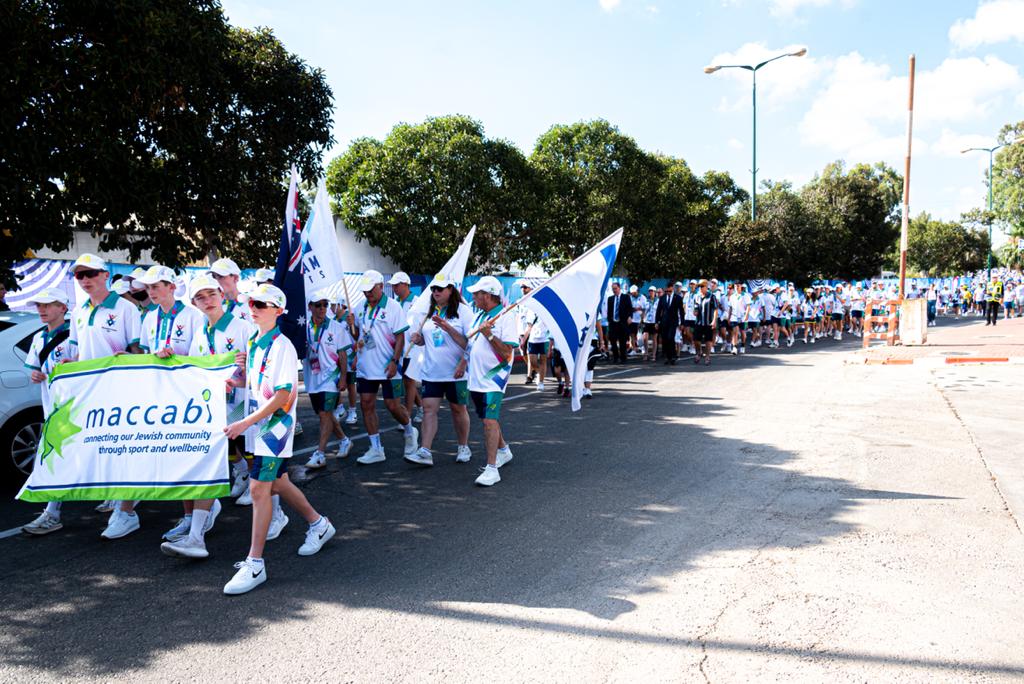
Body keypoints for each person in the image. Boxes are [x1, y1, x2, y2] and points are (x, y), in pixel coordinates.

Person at [220, 284, 335, 595]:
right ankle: (319, 524)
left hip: (276, 428)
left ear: (278, 311)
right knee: (278, 482)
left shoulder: (282, 346)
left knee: (258, 488)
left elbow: (283, 394)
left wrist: (246, 422)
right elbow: (257, 383)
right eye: (251, 302)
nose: (252, 307)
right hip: (260, 425)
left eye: (260, 303)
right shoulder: (254, 341)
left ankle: (255, 563)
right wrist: (236, 379)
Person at [160, 275, 253, 558]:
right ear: (194, 303)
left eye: (211, 294)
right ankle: (196, 537)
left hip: (244, 407)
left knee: (264, 470)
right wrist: (169, 356)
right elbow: (194, 370)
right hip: (213, 411)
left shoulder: (243, 327)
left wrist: (241, 375)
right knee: (208, 466)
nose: (208, 300)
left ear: (222, 294)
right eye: (200, 297)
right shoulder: (200, 333)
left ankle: (284, 515)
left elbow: (262, 370)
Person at [64, 254, 143, 530]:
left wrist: (130, 361)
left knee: (124, 449)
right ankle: (120, 497)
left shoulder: (125, 308)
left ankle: (126, 512)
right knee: (105, 449)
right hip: (91, 391)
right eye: (79, 275)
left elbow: (138, 351)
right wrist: (69, 364)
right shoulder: (78, 312)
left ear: (104, 275)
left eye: (90, 274)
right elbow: (77, 353)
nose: (85, 279)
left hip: (121, 390)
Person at [132, 265, 210, 542]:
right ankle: (189, 517)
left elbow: (202, 354)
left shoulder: (193, 316)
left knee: (190, 455)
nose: (151, 292)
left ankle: (200, 514)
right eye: (149, 287)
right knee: (175, 457)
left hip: (188, 396)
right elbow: (144, 353)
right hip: (160, 397)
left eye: (157, 286)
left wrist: (175, 356)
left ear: (171, 287)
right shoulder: (149, 318)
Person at [21, 288, 78, 535]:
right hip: (52, 408)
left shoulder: (74, 335)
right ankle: (52, 513)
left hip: (78, 406)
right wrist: (35, 375)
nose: (42, 310)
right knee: (55, 457)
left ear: (62, 308)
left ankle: (122, 507)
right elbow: (34, 369)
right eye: (39, 306)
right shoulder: (38, 339)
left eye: (48, 305)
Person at [348, 270, 417, 464]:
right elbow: (359, 338)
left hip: (388, 365)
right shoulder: (359, 307)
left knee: (392, 405)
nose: (367, 294)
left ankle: (410, 431)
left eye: (371, 290)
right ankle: (376, 448)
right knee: (367, 404)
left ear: (380, 286)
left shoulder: (394, 307)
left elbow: (400, 337)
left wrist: (395, 362)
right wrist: (351, 327)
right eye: (365, 291)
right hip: (366, 366)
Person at [405, 273, 475, 466]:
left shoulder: (463, 311)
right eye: (433, 288)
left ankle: (463, 446)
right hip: (432, 371)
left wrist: (448, 328)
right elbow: (427, 340)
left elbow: (470, 342)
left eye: (440, 289)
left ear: (450, 290)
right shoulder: (429, 311)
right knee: (428, 409)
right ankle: (425, 450)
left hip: (456, 372)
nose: (435, 292)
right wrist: (418, 340)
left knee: (458, 409)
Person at [465, 276, 517, 487]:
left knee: (489, 421)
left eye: (476, 294)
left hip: (494, 377)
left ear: (487, 295)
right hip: (476, 377)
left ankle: (492, 469)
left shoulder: (506, 317)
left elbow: (507, 353)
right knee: (487, 419)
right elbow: (469, 343)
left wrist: (489, 335)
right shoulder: (479, 316)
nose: (473, 297)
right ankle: (504, 450)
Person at [303, 294, 354, 469]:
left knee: (325, 413)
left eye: (325, 305)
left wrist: (344, 378)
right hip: (312, 377)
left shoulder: (336, 328)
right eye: (318, 305)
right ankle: (344, 440)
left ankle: (320, 454)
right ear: (310, 307)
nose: (322, 308)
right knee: (324, 414)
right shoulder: (304, 327)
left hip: (330, 377)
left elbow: (342, 354)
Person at [389, 272, 423, 424]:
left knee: (409, 380)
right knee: (405, 381)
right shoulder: (394, 304)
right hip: (398, 348)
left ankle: (407, 416)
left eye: (397, 285)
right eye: (393, 286)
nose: (394, 288)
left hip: (412, 348)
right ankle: (421, 406)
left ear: (406, 284)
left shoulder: (418, 302)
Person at [519, 282, 550, 390]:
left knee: (543, 360)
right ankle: (538, 372)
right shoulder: (531, 311)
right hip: (533, 339)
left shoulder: (547, 310)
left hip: (544, 338)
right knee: (532, 361)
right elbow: (529, 326)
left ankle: (541, 382)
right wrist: (524, 339)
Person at [209, 258, 253, 325]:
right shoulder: (210, 306)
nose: (216, 281)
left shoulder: (250, 305)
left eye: (220, 276)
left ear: (235, 278)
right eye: (213, 277)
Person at [657, 282, 684, 365]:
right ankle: (668, 357)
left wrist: (682, 323)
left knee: (670, 338)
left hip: (673, 322)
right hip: (664, 322)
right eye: (667, 291)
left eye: (669, 291)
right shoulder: (662, 298)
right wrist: (657, 321)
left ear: (672, 289)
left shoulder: (678, 298)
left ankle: (673, 356)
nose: (668, 293)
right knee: (665, 339)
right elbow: (658, 310)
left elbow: (681, 311)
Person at [693, 279, 718, 365]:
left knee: (708, 340)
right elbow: (695, 308)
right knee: (696, 340)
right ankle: (699, 352)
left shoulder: (711, 296)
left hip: (708, 322)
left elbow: (715, 309)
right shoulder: (696, 296)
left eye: (702, 286)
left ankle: (707, 356)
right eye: (699, 286)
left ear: (706, 287)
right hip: (699, 322)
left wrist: (714, 321)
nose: (700, 288)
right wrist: (695, 311)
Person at [605, 282, 631, 363]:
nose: (614, 290)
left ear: (619, 288)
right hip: (613, 323)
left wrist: (630, 317)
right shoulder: (610, 299)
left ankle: (623, 358)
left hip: (622, 322)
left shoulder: (626, 297)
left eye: (615, 288)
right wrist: (609, 321)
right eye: (613, 289)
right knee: (612, 340)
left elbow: (629, 308)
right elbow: (609, 311)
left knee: (622, 341)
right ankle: (615, 357)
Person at [641, 285, 659, 361]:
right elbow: (643, 311)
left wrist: (658, 322)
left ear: (655, 292)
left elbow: (659, 312)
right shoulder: (646, 301)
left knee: (654, 338)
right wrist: (641, 320)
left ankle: (654, 355)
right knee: (645, 338)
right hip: (647, 321)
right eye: (650, 291)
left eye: (652, 291)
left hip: (654, 322)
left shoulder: (658, 301)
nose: (651, 292)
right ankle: (646, 353)